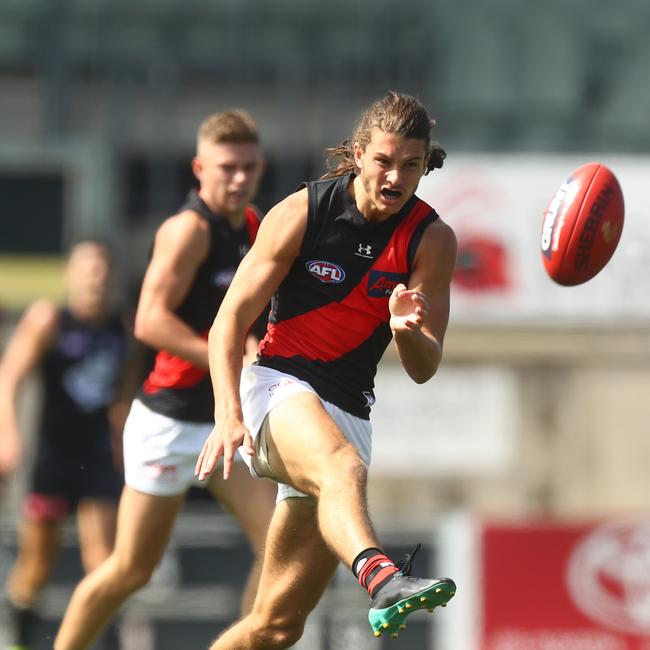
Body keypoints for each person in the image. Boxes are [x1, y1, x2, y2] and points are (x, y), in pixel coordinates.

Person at [195, 91, 459, 648]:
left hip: (348, 412)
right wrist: (227, 412)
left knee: (277, 627)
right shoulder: (302, 212)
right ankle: (384, 580)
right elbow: (227, 323)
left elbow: (424, 367)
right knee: (341, 465)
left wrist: (408, 333)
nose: (395, 177)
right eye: (384, 160)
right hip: (277, 388)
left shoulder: (431, 239)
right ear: (359, 154)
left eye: (411, 165)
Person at [53, 109, 277, 650]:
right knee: (131, 569)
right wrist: (226, 357)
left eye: (249, 167)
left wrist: (249, 350)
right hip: (170, 420)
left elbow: (240, 317)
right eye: (227, 167)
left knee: (279, 551)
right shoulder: (187, 231)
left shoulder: (253, 226)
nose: (239, 179)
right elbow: (150, 321)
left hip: (224, 420)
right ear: (200, 168)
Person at [0, 240, 131, 650]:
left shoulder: (121, 326)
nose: (96, 275)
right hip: (51, 456)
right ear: (71, 274)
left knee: (104, 564)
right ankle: (19, 640)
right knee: (37, 565)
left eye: (102, 267)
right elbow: (10, 376)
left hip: (95, 457)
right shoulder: (48, 319)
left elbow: (124, 392)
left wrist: (123, 441)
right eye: (87, 267)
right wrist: (7, 433)